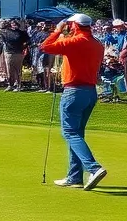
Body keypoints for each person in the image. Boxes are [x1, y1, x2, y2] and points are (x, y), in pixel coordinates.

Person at [42, 13, 108, 190]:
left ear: (75, 26)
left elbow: (45, 47)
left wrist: (57, 31)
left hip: (74, 91)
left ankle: (93, 168)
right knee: (77, 133)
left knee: (70, 133)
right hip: (90, 92)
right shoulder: (97, 44)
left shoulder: (74, 42)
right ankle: (74, 176)